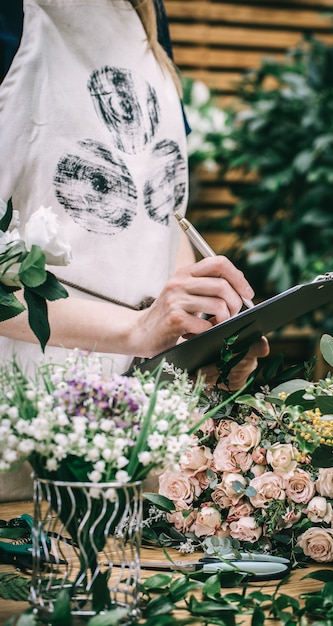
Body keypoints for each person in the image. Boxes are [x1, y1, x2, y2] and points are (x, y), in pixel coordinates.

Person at [0, 0, 269, 498]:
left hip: (145, 439)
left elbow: (162, 221)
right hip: (25, 450)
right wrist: (138, 330)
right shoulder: (14, 18)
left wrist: (200, 335)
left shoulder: (147, 17)